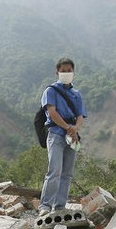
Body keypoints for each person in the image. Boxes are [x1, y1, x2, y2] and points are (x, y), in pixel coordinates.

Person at [38, 57, 86, 215]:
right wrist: (67, 127)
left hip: (72, 137)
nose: (66, 73)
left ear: (74, 72)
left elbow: (80, 115)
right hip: (56, 134)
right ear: (57, 72)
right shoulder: (50, 91)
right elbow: (52, 112)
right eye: (63, 71)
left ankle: (60, 206)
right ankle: (45, 206)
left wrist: (75, 129)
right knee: (55, 170)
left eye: (69, 71)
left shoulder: (76, 94)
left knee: (67, 173)